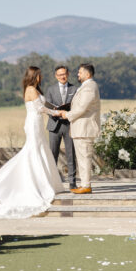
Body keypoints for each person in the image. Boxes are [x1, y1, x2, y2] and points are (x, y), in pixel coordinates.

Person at [0, 66, 65, 218]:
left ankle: (45, 182)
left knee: (40, 150)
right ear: (34, 76)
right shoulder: (31, 89)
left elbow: (44, 105)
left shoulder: (35, 89)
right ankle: (36, 184)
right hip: (33, 122)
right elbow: (40, 108)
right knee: (33, 151)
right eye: (39, 75)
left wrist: (55, 108)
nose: (41, 77)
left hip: (38, 123)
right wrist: (57, 113)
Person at [59, 63, 100, 194]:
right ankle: (84, 184)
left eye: (80, 72)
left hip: (85, 128)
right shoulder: (85, 87)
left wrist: (67, 115)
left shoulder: (90, 87)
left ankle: (86, 185)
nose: (78, 74)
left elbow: (82, 108)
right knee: (82, 158)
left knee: (85, 157)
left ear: (87, 74)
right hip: (80, 128)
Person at [45, 65, 78, 191]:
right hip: (54, 125)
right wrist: (56, 113)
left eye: (64, 74)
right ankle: (52, 182)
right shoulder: (50, 89)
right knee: (53, 155)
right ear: (55, 76)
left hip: (69, 125)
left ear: (68, 74)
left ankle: (72, 182)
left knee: (71, 154)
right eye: (59, 75)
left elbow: (77, 106)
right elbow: (47, 107)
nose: (62, 77)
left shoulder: (75, 89)